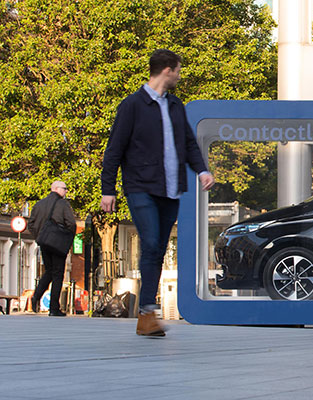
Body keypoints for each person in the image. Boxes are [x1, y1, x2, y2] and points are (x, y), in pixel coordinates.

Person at [101, 49, 215, 337]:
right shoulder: (132, 105)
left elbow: (189, 143)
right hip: (140, 187)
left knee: (159, 248)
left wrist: (202, 170)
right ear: (166, 70)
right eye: (177, 69)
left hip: (170, 189)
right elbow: (114, 150)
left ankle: (146, 315)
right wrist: (108, 190)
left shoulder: (175, 106)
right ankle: (148, 311)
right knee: (151, 243)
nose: (179, 74)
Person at [28, 181, 77, 317]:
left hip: (44, 243)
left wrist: (40, 237)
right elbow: (71, 223)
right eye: (64, 188)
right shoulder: (63, 204)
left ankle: (36, 296)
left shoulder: (39, 204)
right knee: (57, 274)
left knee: (49, 271)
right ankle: (54, 308)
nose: (66, 191)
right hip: (57, 243)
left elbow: (31, 224)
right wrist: (67, 238)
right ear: (56, 189)